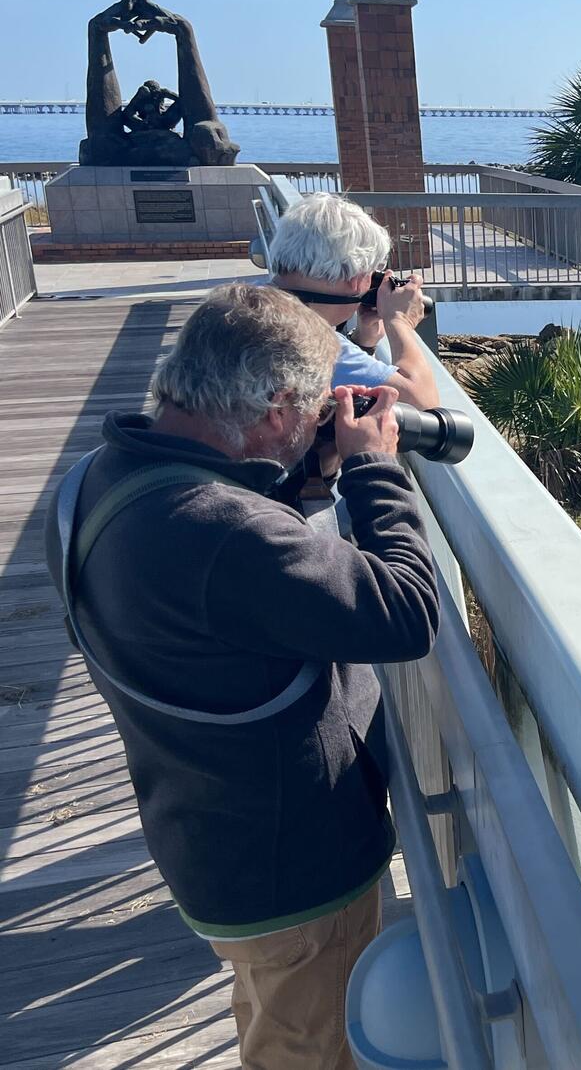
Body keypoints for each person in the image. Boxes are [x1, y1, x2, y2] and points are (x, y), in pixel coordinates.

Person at [46, 283, 440, 1070]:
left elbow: (223, 580)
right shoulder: (223, 534)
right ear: (275, 407)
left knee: (272, 1019)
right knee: (309, 1050)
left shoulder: (105, 476)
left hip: (213, 840)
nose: (321, 421)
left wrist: (296, 475)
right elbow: (406, 611)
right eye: (314, 408)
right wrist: (372, 471)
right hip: (293, 876)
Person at [267, 191, 441, 409]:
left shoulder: (246, 304)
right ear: (356, 279)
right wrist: (399, 321)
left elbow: (339, 374)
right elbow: (423, 403)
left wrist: (363, 343)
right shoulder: (307, 340)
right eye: (372, 274)